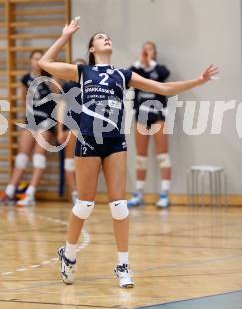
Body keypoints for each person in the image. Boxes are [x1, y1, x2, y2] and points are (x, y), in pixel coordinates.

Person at [38, 19, 218, 288]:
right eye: (100, 37)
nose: (106, 38)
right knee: (85, 205)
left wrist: (199, 81)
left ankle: (123, 265)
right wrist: (64, 36)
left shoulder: (123, 74)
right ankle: (69, 254)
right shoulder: (83, 70)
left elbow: (165, 89)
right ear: (92, 47)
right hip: (88, 139)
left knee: (119, 206)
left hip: (115, 141)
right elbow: (45, 63)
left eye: (108, 36)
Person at [0, 50, 56, 207]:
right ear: (30, 61)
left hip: (47, 119)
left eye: (40, 59)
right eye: (35, 59)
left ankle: (30, 194)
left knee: (38, 157)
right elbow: (23, 99)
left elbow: (59, 97)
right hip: (31, 119)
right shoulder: (25, 79)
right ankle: (9, 192)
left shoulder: (50, 78)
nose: (37, 61)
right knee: (21, 157)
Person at [128, 41, 171, 208]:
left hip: (158, 115)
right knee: (140, 158)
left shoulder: (159, 69)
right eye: (144, 48)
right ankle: (139, 194)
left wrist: (150, 62)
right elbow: (129, 75)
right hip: (141, 117)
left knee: (163, 156)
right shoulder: (137, 70)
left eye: (150, 48)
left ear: (155, 52)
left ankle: (164, 194)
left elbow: (165, 74)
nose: (146, 51)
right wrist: (141, 63)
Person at [57, 58, 86, 205]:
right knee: (70, 162)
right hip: (71, 127)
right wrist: (59, 130)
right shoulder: (67, 86)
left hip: (88, 129)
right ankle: (75, 194)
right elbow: (61, 108)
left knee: (88, 162)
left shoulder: (89, 86)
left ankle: (83, 192)